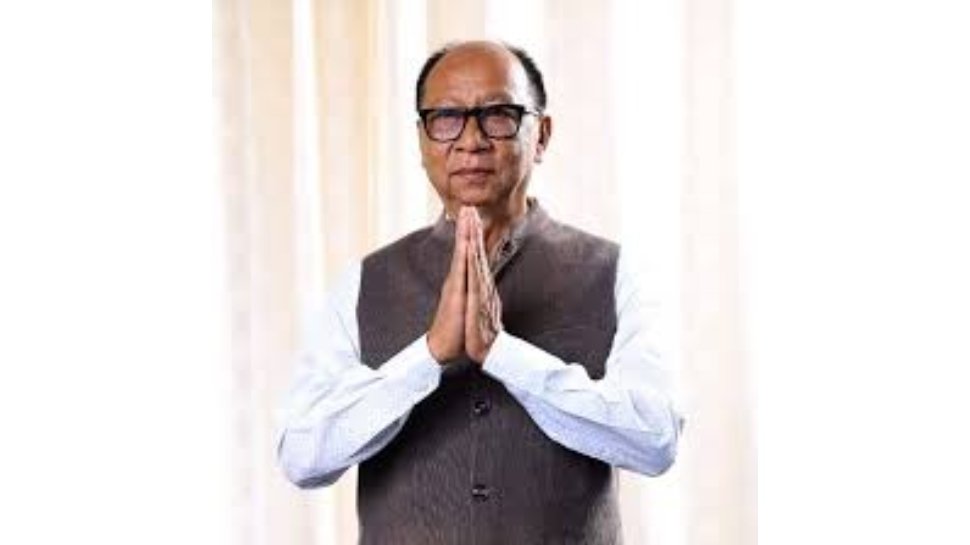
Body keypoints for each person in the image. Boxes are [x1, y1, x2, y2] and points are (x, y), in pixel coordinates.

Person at [277, 40, 683, 544]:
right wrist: (427, 356)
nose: (471, 140)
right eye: (446, 117)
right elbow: (301, 457)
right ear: (422, 140)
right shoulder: (362, 284)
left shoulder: (616, 272)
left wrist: (503, 354)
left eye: (498, 115)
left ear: (541, 135)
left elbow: (655, 440)